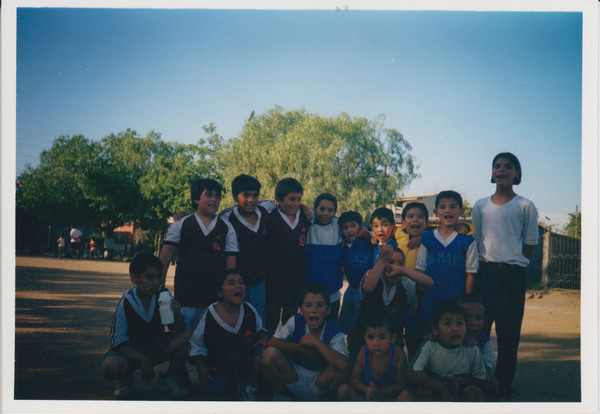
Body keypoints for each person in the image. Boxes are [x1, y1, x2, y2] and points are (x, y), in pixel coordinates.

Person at [472, 152, 539, 399]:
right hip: (485, 273)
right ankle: (476, 381)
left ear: (516, 173)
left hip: (512, 276)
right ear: (491, 173)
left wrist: (510, 259)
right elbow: (477, 241)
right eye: (497, 166)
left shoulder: (525, 206)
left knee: (508, 337)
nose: (501, 170)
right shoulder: (480, 205)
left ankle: (502, 387)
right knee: (477, 332)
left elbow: (529, 243)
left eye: (508, 166)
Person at [100, 253, 189, 399]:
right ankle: (124, 379)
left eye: (159, 277)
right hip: (131, 352)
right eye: (149, 277)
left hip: (154, 346)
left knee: (189, 336)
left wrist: (177, 313)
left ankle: (170, 377)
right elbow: (118, 341)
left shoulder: (163, 295)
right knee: (110, 366)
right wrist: (142, 359)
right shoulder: (127, 302)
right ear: (134, 278)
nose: (156, 282)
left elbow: (177, 330)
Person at [159, 178, 239, 330]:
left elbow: (231, 260)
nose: (214, 200)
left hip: (214, 293)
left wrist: (229, 287)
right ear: (196, 199)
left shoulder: (227, 227)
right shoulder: (181, 224)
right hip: (186, 290)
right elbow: (167, 252)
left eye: (217, 196)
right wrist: (160, 280)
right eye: (209, 195)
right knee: (184, 333)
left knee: (210, 334)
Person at [188, 269, 268, 401]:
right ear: (220, 292)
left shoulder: (249, 310)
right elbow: (196, 344)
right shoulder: (209, 315)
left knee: (263, 352)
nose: (238, 286)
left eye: (241, 283)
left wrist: (264, 338)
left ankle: (250, 390)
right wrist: (200, 367)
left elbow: (261, 331)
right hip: (220, 367)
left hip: (244, 363)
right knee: (211, 397)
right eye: (231, 283)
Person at [261, 283, 348, 401]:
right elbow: (272, 342)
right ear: (301, 310)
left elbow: (344, 365)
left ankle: (328, 401)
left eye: (320, 305)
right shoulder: (296, 321)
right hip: (293, 377)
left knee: (339, 368)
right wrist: (299, 349)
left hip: (319, 383)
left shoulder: (334, 332)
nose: (314, 310)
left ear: (328, 309)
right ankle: (282, 394)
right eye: (308, 305)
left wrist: (316, 343)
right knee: (269, 354)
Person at [347, 244, 433, 360]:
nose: (394, 267)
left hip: (392, 348)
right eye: (390, 262)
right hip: (364, 344)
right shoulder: (373, 277)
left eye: (400, 263)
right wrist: (382, 260)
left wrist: (402, 270)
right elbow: (367, 288)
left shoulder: (405, 286)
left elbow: (429, 283)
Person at [414, 190, 478, 341]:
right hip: (430, 301)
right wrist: (416, 299)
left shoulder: (468, 241)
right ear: (436, 212)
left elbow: (470, 275)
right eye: (443, 207)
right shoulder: (427, 238)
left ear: (461, 211)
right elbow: (420, 270)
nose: (448, 210)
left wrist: (466, 304)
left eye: (453, 206)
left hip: (455, 303)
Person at [408, 301, 492, 401]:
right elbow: (413, 373)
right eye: (448, 323)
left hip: (461, 393)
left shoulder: (472, 348)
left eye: (460, 323)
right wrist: (442, 389)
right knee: (425, 392)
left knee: (473, 392)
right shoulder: (430, 345)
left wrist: (460, 381)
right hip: (437, 391)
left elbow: (485, 381)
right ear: (435, 329)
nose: (455, 329)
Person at [263, 177, 311, 334]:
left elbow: (329, 218)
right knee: (270, 320)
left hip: (295, 281)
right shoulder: (270, 216)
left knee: (290, 322)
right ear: (278, 200)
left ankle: (286, 353)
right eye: (291, 199)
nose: (296, 203)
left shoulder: (306, 217)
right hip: (273, 281)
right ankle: (267, 351)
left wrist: (304, 207)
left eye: (299, 199)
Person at [220, 174, 269, 323]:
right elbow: (205, 218)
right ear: (235, 197)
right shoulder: (226, 218)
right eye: (245, 195)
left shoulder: (265, 212)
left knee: (258, 320)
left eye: (255, 195)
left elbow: (283, 202)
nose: (251, 200)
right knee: (236, 317)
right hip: (237, 280)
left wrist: (304, 207)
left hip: (258, 280)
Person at [338, 312, 413, 401]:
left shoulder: (398, 354)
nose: (376, 343)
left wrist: (381, 392)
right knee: (344, 390)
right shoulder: (363, 352)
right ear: (364, 337)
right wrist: (367, 390)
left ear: (392, 338)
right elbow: (355, 379)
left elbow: (402, 383)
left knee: (406, 395)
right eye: (370, 337)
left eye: (382, 337)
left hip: (391, 400)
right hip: (368, 397)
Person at [394, 202, 428, 359]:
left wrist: (421, 237)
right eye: (410, 216)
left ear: (426, 223)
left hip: (419, 288)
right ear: (403, 223)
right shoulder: (398, 234)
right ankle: (398, 366)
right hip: (398, 287)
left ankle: (416, 367)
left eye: (420, 217)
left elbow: (468, 229)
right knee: (396, 331)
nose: (415, 220)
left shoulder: (429, 238)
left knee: (415, 333)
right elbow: (374, 230)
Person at [305, 193, 343, 323]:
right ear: (315, 209)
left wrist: (364, 231)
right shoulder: (307, 223)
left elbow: (357, 227)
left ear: (335, 212)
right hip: (310, 293)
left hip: (332, 294)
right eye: (322, 209)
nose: (326, 213)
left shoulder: (339, 226)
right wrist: (303, 206)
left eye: (330, 210)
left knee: (330, 330)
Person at [337, 211, 373, 335]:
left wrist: (367, 229)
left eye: (353, 225)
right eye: (345, 227)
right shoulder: (341, 245)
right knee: (347, 327)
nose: (349, 230)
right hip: (351, 289)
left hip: (367, 291)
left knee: (366, 325)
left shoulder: (366, 240)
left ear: (360, 226)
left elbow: (377, 233)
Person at [456, 294, 497, 391]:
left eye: (478, 318)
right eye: (467, 317)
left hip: (472, 382)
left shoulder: (484, 343)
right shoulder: (445, 337)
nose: (473, 322)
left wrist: (478, 353)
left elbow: (487, 376)